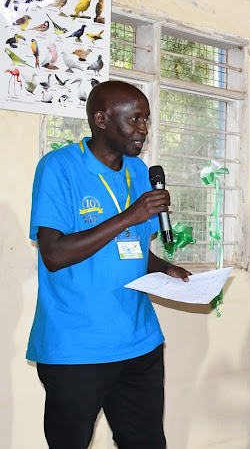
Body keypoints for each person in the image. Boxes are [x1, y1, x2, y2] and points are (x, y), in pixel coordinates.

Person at [28, 80, 191, 449]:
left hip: (139, 342)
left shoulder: (138, 171)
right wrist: (130, 215)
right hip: (77, 347)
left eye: (146, 120)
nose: (144, 130)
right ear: (101, 119)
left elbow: (130, 248)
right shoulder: (58, 168)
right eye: (134, 120)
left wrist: (163, 268)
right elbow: (54, 254)